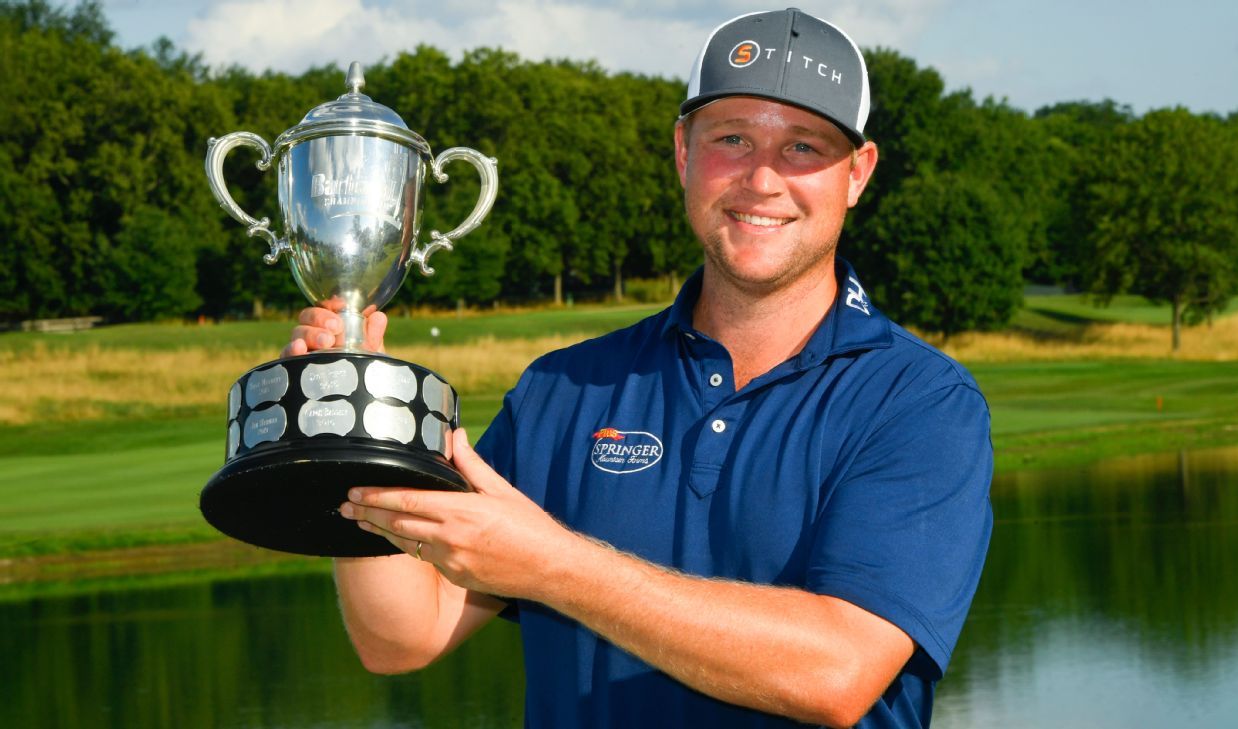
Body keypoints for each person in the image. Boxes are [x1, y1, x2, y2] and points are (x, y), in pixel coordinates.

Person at [286, 8, 992, 728]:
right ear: (684, 150)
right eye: (733, 138)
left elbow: (836, 671)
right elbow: (402, 634)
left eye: (804, 147)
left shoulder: (919, 402)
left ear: (857, 174)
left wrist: (554, 564)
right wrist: (357, 422)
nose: (763, 178)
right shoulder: (563, 389)